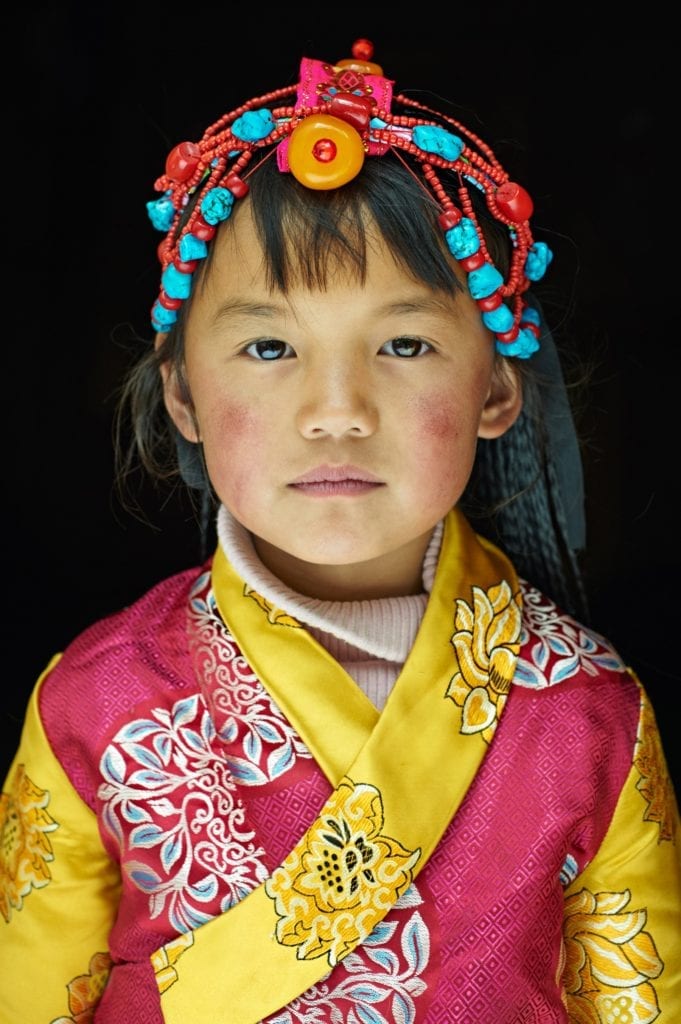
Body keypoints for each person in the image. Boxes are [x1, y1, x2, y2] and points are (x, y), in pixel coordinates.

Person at [1, 35, 679, 1024]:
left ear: (495, 387)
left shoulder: (587, 713)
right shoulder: (93, 703)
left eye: (404, 343)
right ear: (184, 392)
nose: (335, 409)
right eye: (269, 345)